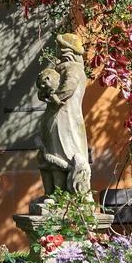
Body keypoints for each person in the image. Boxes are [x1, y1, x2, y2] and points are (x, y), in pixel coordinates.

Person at [36, 33, 93, 200]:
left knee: (63, 152)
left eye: (60, 47)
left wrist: (55, 97)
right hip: (58, 115)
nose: (58, 51)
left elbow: (69, 86)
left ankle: (63, 196)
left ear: (68, 50)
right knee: (52, 152)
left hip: (65, 118)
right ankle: (54, 193)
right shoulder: (62, 67)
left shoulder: (73, 67)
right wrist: (45, 93)